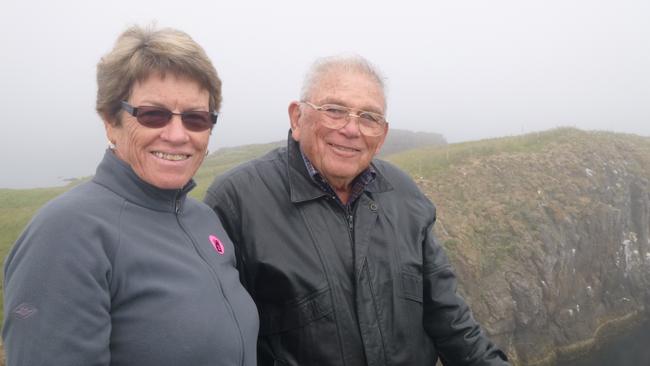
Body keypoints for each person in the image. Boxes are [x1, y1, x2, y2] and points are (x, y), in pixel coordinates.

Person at [204, 55, 510, 365]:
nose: (351, 129)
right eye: (335, 110)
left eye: (369, 117)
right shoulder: (237, 201)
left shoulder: (404, 193)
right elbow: (219, 343)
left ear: (382, 136)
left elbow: (450, 320)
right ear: (297, 118)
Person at [2, 25, 258, 366]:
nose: (178, 135)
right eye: (154, 114)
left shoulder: (203, 219)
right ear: (111, 121)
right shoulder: (67, 233)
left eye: (196, 118)